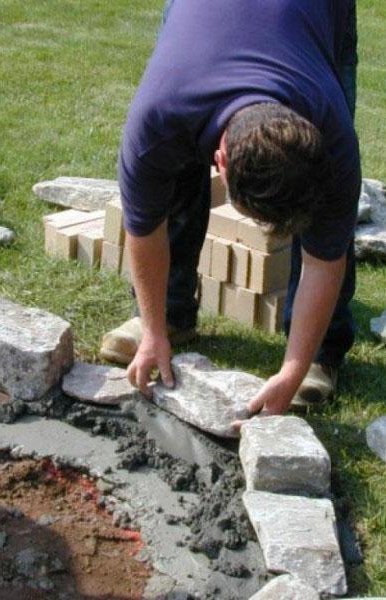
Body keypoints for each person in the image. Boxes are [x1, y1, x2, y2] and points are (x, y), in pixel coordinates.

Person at [101, 0, 361, 419]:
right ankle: (169, 318)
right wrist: (151, 330)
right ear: (219, 161)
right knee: (175, 159)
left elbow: (324, 261)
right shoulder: (159, 115)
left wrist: (292, 372)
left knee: (328, 212)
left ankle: (320, 353)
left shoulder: (332, 132)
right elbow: (144, 225)